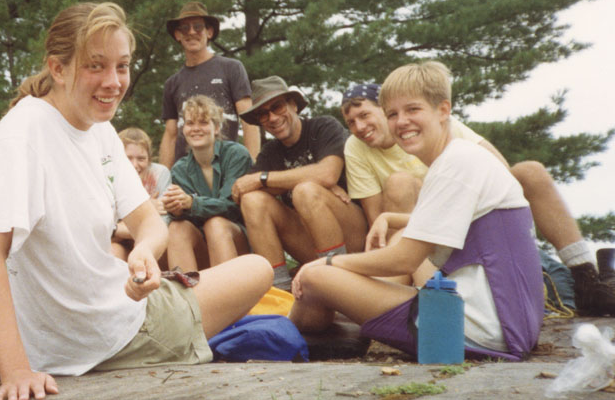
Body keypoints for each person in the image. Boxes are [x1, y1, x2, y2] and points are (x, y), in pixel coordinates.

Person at [0, 2, 272, 400]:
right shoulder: (24, 131)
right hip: (114, 333)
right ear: (57, 69)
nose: (113, 81)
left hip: (112, 305)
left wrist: (145, 252)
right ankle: (181, 341)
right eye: (96, 66)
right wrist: (16, 371)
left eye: (122, 66)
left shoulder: (99, 129)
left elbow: (149, 221)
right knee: (258, 269)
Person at [289, 62, 543, 360]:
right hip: (510, 321)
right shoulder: (461, 157)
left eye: (413, 110)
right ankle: (311, 331)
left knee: (313, 279)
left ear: (443, 110)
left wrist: (329, 263)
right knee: (394, 241)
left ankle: (288, 333)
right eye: (393, 114)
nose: (401, 122)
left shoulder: (455, 164)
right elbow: (450, 224)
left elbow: (405, 259)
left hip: (477, 329)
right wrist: (391, 218)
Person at [341, 80, 615, 317]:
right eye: (351, 122)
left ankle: (584, 275)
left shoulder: (439, 125)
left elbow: (500, 175)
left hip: (472, 210)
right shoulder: (356, 148)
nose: (360, 126)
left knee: (530, 171)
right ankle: (429, 292)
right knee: (400, 183)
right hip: (419, 235)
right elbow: (377, 221)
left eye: (365, 115)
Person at [231, 77, 366, 291]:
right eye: (264, 114)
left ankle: (338, 283)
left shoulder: (323, 127)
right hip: (309, 241)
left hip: (355, 238)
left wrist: (264, 179)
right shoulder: (270, 152)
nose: (272, 117)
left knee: (306, 191)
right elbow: (241, 190)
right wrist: (302, 177)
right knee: (253, 200)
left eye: (277, 107)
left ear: (293, 104)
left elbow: (328, 174)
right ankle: (279, 290)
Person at [159, 2, 258, 168]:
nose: (191, 32)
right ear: (178, 35)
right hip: (186, 174)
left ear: (209, 32)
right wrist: (163, 179)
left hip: (226, 168)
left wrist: (253, 166)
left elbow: (249, 120)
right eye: (185, 28)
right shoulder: (172, 83)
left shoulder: (231, 68)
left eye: (198, 27)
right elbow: (170, 135)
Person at [163, 95, 252, 271]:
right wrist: (177, 209)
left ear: (217, 127)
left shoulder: (236, 154)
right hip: (203, 247)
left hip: (239, 243)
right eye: (190, 123)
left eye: (203, 122)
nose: (196, 129)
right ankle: (186, 295)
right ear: (184, 129)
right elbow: (188, 218)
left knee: (215, 224)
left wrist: (192, 203)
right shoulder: (179, 169)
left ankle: (230, 294)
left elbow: (231, 207)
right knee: (176, 227)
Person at [110, 127, 171, 260]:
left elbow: (162, 225)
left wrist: (116, 228)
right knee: (113, 251)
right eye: (128, 158)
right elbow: (105, 230)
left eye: (141, 159)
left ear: (149, 159)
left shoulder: (159, 174)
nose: (134, 165)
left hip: (152, 244)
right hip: (120, 242)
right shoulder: (109, 177)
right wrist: (146, 208)